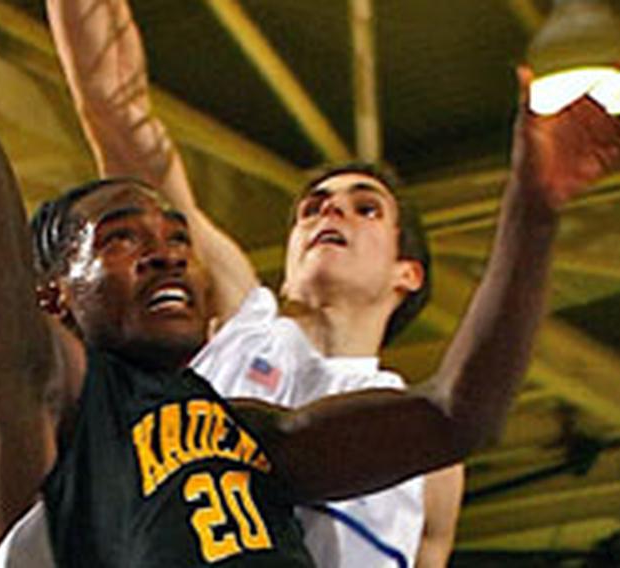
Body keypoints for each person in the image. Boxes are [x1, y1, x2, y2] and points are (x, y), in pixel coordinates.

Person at [0, 1, 620, 567]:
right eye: (124, 239)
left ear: (408, 270)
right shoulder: (46, 390)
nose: (168, 254)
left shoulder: (252, 437)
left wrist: (534, 206)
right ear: (50, 295)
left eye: (174, 238)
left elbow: (455, 416)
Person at [46, 2, 461, 565]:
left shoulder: (428, 453)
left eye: (364, 208)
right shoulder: (243, 319)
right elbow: (120, 115)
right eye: (312, 208)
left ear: (405, 274)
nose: (329, 214)